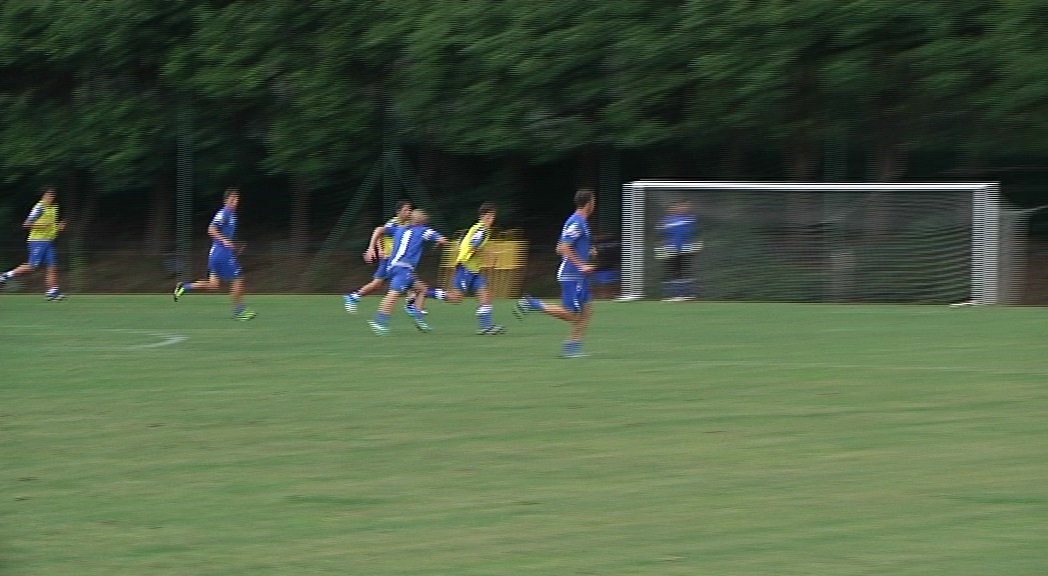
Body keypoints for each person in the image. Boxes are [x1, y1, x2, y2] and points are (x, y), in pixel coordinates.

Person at [513, 188, 596, 358]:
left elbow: (560, 247)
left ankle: (573, 347)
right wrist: (581, 264)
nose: (594, 205)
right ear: (589, 204)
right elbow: (564, 247)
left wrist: (588, 251)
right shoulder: (576, 222)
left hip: (580, 276)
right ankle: (532, 303)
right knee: (572, 314)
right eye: (593, 202)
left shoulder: (579, 222)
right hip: (571, 275)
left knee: (587, 309)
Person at [417, 202, 506, 335]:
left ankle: (486, 326)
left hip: (474, 269)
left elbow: (465, 243)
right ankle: (425, 292)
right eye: (493, 216)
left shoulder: (477, 228)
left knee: (485, 295)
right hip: (466, 268)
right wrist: (489, 254)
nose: (493, 219)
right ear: (489, 216)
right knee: (456, 298)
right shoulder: (482, 229)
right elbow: (474, 246)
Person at [172, 187, 257, 320]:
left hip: (217, 253)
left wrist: (233, 246)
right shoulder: (225, 213)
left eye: (237, 199)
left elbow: (224, 234)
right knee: (238, 279)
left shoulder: (231, 215)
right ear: (226, 201)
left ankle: (184, 287)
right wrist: (225, 242)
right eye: (232, 199)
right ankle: (239, 312)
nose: (235, 202)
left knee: (213, 285)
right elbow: (211, 229)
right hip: (221, 254)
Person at [368, 209, 449, 336]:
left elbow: (380, 229)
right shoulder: (423, 230)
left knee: (422, 289)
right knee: (393, 294)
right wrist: (442, 242)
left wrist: (372, 247)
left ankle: (419, 318)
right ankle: (380, 321)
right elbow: (441, 239)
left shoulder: (399, 229)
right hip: (403, 268)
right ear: (423, 222)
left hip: (393, 266)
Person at [343, 200, 416, 314]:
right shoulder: (394, 224)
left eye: (410, 210)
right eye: (406, 210)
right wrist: (374, 248)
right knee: (378, 284)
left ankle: (411, 304)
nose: (409, 212)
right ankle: (353, 296)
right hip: (389, 259)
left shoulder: (408, 225)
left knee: (405, 279)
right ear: (398, 212)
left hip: (398, 260)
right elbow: (379, 231)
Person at [0, 187, 67, 301]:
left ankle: (53, 292)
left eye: (52, 196)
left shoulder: (54, 208)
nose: (50, 198)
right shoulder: (39, 207)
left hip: (49, 241)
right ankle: (6, 275)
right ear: (43, 196)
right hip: (38, 241)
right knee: (32, 266)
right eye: (47, 196)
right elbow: (26, 224)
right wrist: (42, 225)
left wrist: (58, 228)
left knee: (53, 267)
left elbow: (51, 225)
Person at [656, 199, 700, 301]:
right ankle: (676, 294)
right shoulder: (666, 220)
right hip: (671, 250)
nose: (682, 208)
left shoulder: (689, 219)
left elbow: (695, 234)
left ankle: (685, 294)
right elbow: (660, 236)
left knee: (683, 270)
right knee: (674, 271)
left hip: (685, 249)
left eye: (686, 206)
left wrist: (695, 247)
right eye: (680, 206)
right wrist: (661, 250)